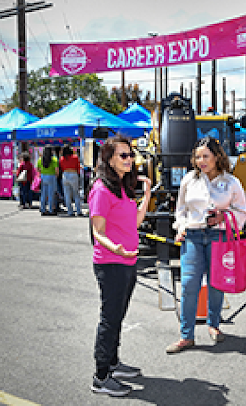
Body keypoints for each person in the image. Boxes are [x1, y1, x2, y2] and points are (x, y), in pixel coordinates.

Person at [166, 136, 246, 354]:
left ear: (217, 157)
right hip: (192, 235)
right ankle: (186, 335)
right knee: (188, 284)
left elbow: (243, 211)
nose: (201, 160)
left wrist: (223, 216)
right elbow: (181, 210)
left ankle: (214, 325)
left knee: (216, 283)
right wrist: (181, 226)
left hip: (219, 238)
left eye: (206, 156)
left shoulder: (231, 182)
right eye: (198, 156)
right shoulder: (188, 180)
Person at [88, 135, 151, 397]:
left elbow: (135, 222)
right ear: (109, 159)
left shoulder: (123, 187)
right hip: (112, 263)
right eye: (123, 155)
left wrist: (147, 195)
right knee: (110, 319)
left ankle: (113, 362)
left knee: (118, 316)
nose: (130, 160)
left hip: (128, 260)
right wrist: (114, 248)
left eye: (131, 154)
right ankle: (101, 376)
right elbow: (97, 231)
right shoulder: (101, 189)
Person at [60, 144, 83, 217]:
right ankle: (78, 211)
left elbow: (62, 168)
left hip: (65, 174)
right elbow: (78, 167)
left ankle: (70, 211)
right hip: (73, 174)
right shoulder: (75, 157)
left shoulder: (62, 159)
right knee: (76, 193)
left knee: (67, 194)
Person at [37, 145, 59, 216]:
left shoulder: (40, 159)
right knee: (51, 194)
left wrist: (42, 173)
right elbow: (56, 170)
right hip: (51, 176)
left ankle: (43, 209)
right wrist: (56, 175)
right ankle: (50, 209)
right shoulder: (54, 159)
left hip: (43, 176)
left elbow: (38, 169)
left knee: (43, 194)